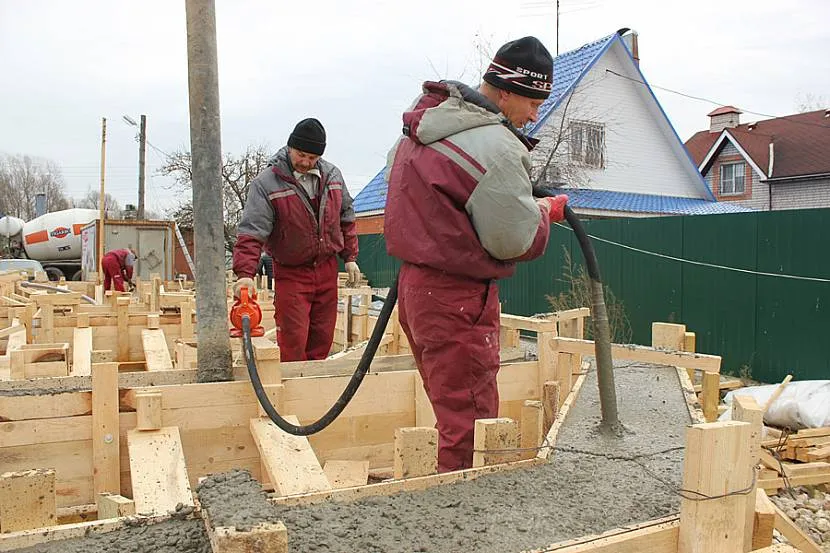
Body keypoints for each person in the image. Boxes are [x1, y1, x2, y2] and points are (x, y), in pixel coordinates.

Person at [383, 36, 569, 472]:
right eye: (533, 102)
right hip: (457, 299)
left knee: (450, 410)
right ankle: (465, 525)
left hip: (416, 290)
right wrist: (544, 211)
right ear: (505, 91)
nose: (535, 114)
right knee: (470, 425)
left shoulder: (428, 123)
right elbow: (513, 240)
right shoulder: (499, 146)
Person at [232, 118, 360, 361]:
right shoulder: (267, 183)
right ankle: (289, 395)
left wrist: (350, 256)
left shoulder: (332, 176)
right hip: (291, 272)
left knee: (322, 339)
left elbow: (346, 216)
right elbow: (252, 231)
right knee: (293, 340)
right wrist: (245, 275)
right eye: (301, 155)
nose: (305, 162)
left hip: (326, 269)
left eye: (312, 158)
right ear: (290, 147)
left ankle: (312, 395)